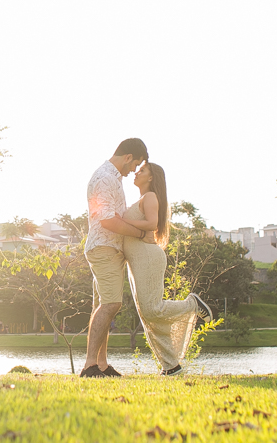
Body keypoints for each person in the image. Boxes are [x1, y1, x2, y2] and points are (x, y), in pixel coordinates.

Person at [120, 162, 213, 376]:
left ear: (151, 178)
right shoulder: (142, 199)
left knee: (152, 309)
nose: (136, 172)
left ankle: (192, 304)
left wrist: (122, 221)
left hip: (147, 257)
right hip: (136, 261)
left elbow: (152, 224)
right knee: (148, 315)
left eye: (142, 170)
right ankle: (171, 366)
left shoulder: (150, 196)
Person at [80, 138, 149, 378]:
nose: (134, 171)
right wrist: (140, 232)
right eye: (135, 164)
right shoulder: (105, 179)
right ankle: (90, 365)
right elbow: (107, 220)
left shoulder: (113, 179)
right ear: (128, 157)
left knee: (104, 304)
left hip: (109, 249)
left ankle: (101, 364)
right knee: (111, 304)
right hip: (104, 248)